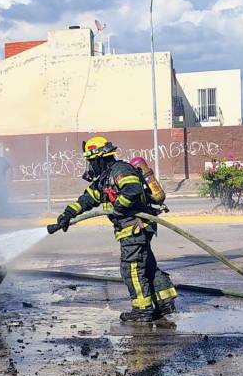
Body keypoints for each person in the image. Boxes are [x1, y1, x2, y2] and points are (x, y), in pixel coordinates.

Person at [53, 136, 178, 323]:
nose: (90, 165)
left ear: (100, 158)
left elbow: (133, 189)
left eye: (91, 161)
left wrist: (119, 206)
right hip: (134, 228)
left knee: (132, 268)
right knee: (147, 265)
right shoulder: (104, 179)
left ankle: (142, 309)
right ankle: (164, 302)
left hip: (134, 227)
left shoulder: (120, 170)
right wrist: (66, 216)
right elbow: (85, 200)